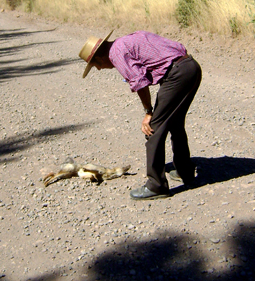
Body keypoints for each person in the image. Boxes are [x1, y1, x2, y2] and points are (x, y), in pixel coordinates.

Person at [79, 30, 202, 200]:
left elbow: (139, 82)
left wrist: (148, 112)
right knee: (175, 122)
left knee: (153, 130)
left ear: (99, 58)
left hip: (177, 75)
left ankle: (156, 185)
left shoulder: (116, 54)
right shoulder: (126, 41)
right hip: (191, 67)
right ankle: (184, 170)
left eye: (95, 66)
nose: (99, 69)